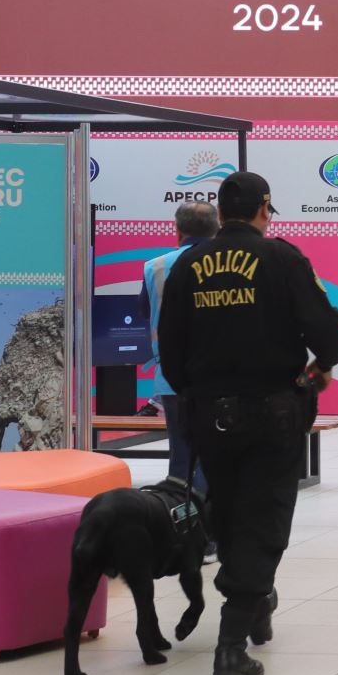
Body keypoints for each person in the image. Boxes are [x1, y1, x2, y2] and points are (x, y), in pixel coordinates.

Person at [157, 171, 338, 675]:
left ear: (221, 213)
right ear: (265, 209)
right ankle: (230, 644)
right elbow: (329, 338)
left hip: (208, 416)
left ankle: (255, 600)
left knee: (228, 511)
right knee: (263, 521)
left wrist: (199, 393)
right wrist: (313, 371)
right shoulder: (283, 258)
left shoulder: (187, 265)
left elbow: (170, 352)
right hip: (273, 414)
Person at [140, 202, 219, 502]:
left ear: (178, 230)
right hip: (218, 375)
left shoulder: (155, 266)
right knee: (216, 451)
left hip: (170, 376)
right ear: (217, 228)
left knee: (181, 452)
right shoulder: (227, 262)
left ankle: (183, 521)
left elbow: (145, 310)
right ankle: (210, 524)